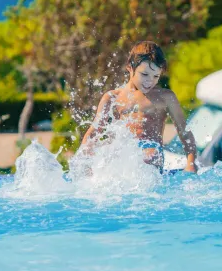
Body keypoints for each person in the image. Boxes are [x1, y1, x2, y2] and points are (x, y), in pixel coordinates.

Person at [81, 41, 197, 173]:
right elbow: (94, 132)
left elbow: (184, 131)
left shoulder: (165, 98)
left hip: (150, 157)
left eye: (156, 76)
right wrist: (85, 164)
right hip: (123, 155)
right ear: (130, 67)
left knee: (150, 155)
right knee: (109, 151)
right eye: (144, 74)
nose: (150, 81)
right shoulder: (112, 98)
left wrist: (191, 163)